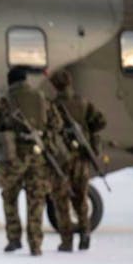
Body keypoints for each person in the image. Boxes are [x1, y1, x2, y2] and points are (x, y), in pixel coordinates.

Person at [0, 66, 62, 256]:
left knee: (10, 196)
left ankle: (14, 239)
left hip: (12, 157)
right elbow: (57, 123)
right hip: (37, 156)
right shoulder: (41, 98)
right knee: (36, 199)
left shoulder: (5, 101)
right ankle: (35, 244)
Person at [48, 69, 107, 251]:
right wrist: (88, 134)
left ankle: (67, 241)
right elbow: (101, 122)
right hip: (82, 159)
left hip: (62, 160)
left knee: (61, 200)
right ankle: (85, 233)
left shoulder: (53, 106)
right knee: (81, 198)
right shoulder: (83, 103)